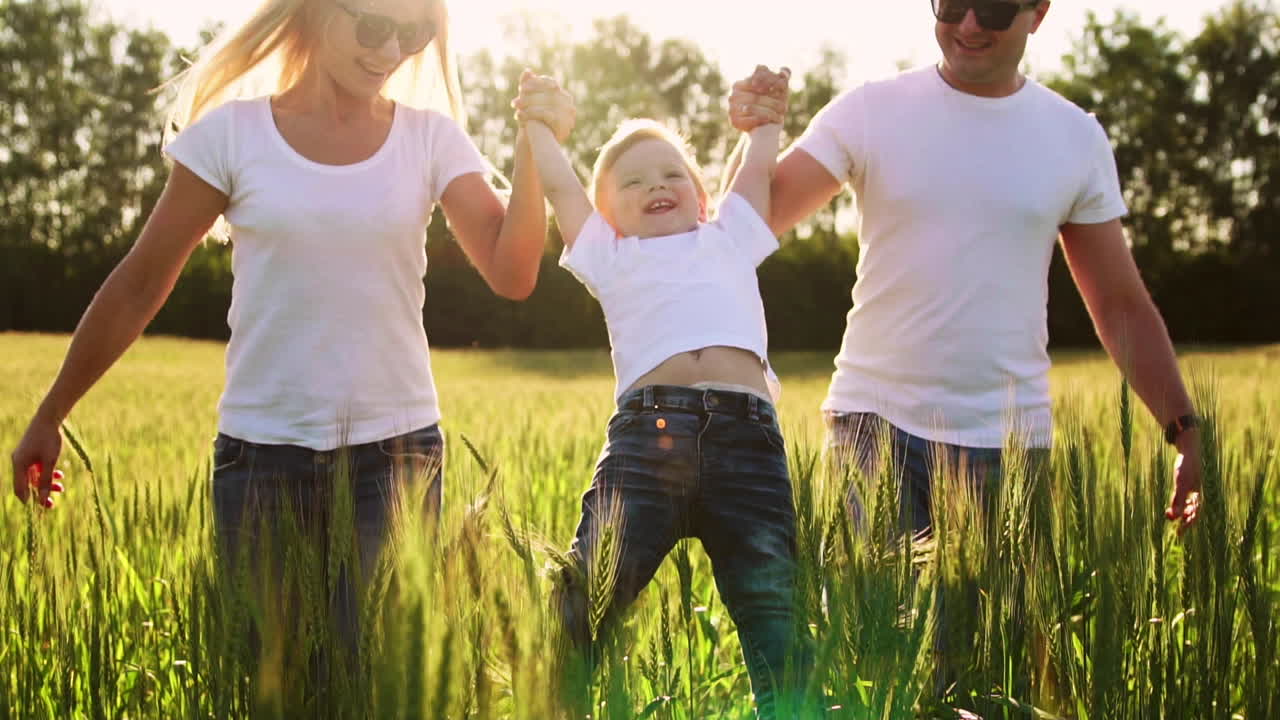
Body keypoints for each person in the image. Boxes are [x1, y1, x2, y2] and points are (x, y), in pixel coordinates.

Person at [10, 0, 569, 677]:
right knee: (270, 687)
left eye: (413, 35)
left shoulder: (431, 139)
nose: (390, 51)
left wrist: (533, 147)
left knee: (376, 686)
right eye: (371, 26)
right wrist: (51, 412)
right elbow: (139, 284)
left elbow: (512, 273)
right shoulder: (231, 137)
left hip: (396, 460)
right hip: (261, 462)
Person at [728, 0, 1203, 540]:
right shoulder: (870, 109)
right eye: (952, 4)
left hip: (1008, 448)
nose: (970, 25)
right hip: (873, 430)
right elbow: (745, 227)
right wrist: (759, 134)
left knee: (993, 629)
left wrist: (1183, 430)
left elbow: (1120, 304)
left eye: (996, 9)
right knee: (872, 626)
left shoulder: (1075, 138)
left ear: (1038, 13)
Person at [513, 70, 811, 718]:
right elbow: (561, 184)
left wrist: (766, 122)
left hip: (750, 447)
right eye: (633, 181)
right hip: (648, 444)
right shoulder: (611, 255)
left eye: (673, 174)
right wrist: (538, 123)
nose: (656, 186)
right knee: (587, 595)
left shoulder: (728, 236)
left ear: (703, 197)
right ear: (608, 216)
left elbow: (757, 169)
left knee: (777, 618)